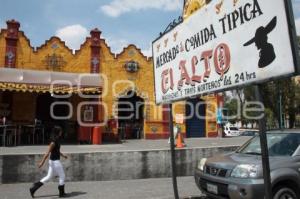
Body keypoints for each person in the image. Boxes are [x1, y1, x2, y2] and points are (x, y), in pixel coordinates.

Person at [29, 126, 68, 198]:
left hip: (53, 162)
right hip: (55, 162)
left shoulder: (57, 140)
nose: (61, 132)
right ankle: (61, 193)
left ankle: (33, 188)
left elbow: (57, 151)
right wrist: (42, 162)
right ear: (57, 132)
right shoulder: (53, 142)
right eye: (60, 131)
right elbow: (47, 153)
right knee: (62, 176)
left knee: (48, 177)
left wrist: (63, 155)